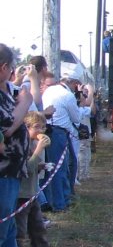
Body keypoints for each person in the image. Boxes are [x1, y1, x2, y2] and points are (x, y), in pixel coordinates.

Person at [15, 111, 62, 247]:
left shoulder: (33, 144)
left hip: (32, 193)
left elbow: (33, 166)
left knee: (38, 230)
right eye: (36, 127)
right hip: (21, 196)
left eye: (43, 126)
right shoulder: (22, 144)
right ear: (26, 127)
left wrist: (42, 165)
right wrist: (39, 150)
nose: (40, 130)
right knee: (18, 234)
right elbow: (26, 168)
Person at [0, 44, 31, 247]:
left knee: (8, 229)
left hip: (10, 172)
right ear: (4, 68)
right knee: (1, 229)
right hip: (1, 173)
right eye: (11, 69)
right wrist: (26, 101)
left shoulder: (7, 92)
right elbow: (7, 127)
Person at [40, 72, 79, 212]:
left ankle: (53, 200)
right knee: (60, 169)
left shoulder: (47, 92)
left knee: (49, 168)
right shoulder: (67, 95)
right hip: (59, 132)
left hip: (47, 129)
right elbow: (76, 118)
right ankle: (60, 203)